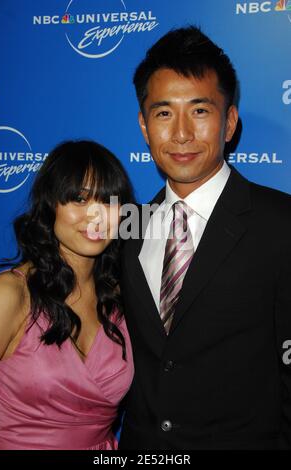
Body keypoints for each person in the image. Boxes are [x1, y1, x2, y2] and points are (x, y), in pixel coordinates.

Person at [119, 26, 291, 450]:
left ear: (229, 122)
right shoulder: (127, 226)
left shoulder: (281, 223)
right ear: (143, 126)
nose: (180, 133)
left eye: (199, 111)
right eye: (163, 113)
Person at [0, 140, 134, 450]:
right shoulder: (9, 295)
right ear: (50, 205)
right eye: (79, 199)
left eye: (108, 201)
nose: (96, 215)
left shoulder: (122, 297)